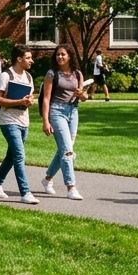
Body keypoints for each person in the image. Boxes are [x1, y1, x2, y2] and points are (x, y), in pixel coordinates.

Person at [0, 45, 39, 204]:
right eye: (28, 58)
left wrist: (29, 101)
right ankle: (25, 192)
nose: (31, 61)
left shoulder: (29, 77)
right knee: (19, 155)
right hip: (8, 121)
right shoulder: (6, 76)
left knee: (11, 156)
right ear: (19, 59)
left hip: (24, 121)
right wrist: (19, 101)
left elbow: (29, 98)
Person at [39, 45, 87, 200]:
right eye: (58, 55)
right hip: (57, 111)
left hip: (73, 111)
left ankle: (47, 180)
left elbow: (84, 97)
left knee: (65, 150)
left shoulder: (78, 74)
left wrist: (82, 95)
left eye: (63, 55)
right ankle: (71, 187)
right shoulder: (52, 74)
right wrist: (45, 121)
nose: (60, 57)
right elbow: (46, 99)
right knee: (67, 152)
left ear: (69, 56)